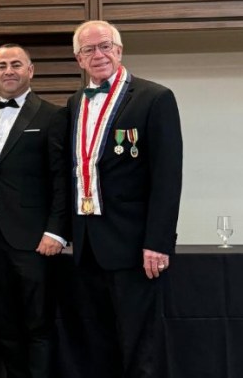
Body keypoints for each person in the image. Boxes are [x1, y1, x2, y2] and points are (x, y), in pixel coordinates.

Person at [67, 20, 183, 378]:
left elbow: (167, 177)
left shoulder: (155, 97)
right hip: (88, 244)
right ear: (79, 59)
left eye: (105, 46)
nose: (98, 54)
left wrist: (158, 242)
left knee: (141, 345)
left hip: (134, 245)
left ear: (119, 50)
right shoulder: (74, 103)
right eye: (88, 49)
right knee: (98, 345)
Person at [0, 44, 68, 378]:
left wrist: (56, 231)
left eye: (16, 64)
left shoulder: (53, 115)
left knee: (38, 324)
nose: (8, 71)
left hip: (34, 239)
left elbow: (61, 178)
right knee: (3, 324)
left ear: (30, 70)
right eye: (1, 66)